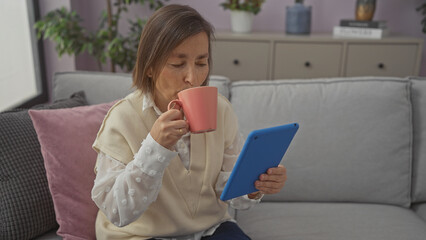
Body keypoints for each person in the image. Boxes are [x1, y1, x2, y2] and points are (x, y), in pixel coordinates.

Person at [91, 4, 287, 240]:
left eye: (201, 63)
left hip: (210, 229)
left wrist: (256, 185)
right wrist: (155, 147)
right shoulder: (122, 118)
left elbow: (228, 190)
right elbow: (115, 211)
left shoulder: (221, 110)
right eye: (177, 64)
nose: (193, 78)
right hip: (139, 235)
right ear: (150, 67)